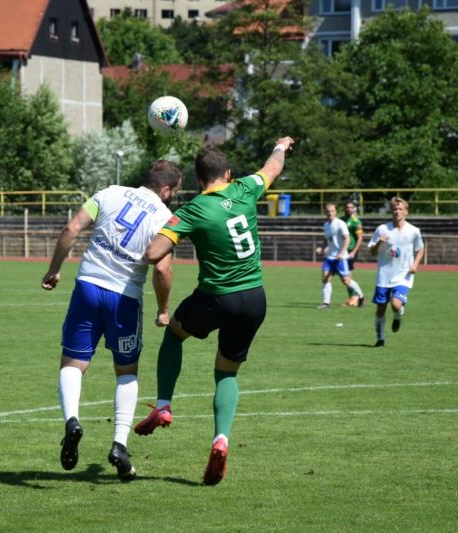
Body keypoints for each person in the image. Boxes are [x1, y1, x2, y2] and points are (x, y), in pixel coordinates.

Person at [134, 136, 295, 486]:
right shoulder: (246, 188)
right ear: (228, 173)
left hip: (215, 297)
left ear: (197, 180)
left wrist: (166, 230)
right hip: (254, 298)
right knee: (227, 373)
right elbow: (272, 167)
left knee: (174, 335)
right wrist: (281, 145)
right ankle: (221, 437)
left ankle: (163, 405)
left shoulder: (192, 210)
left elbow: (153, 253)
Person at [41, 160, 182, 481]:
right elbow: (161, 269)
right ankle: (119, 444)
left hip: (88, 287)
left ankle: (72, 421)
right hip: (125, 299)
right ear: (165, 190)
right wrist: (163, 309)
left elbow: (71, 229)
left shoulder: (109, 193)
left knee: (73, 363)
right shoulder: (166, 217)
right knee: (126, 372)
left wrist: (54, 269)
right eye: (175, 191)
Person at [368, 197, 425, 347]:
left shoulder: (414, 231)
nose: (397, 212)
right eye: (394, 209)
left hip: (403, 275)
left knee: (395, 304)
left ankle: (398, 316)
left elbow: (420, 249)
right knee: (380, 308)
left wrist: (415, 265)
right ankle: (380, 339)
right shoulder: (382, 229)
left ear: (406, 211)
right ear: (391, 211)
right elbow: (372, 252)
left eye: (400, 209)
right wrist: (379, 242)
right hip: (384, 275)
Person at [316, 203, 365, 309]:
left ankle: (361, 297)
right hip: (330, 257)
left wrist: (342, 252)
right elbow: (327, 239)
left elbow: (347, 239)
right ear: (325, 213)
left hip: (341, 257)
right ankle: (326, 303)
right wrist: (322, 247)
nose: (330, 213)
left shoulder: (340, 223)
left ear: (336, 212)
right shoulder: (326, 225)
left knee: (346, 281)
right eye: (328, 211)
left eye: (332, 211)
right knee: (325, 277)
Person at [340, 201, 364, 306]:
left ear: (353, 209)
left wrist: (354, 251)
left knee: (347, 275)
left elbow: (360, 238)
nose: (348, 209)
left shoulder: (356, 221)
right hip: (341, 250)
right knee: (344, 277)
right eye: (347, 207)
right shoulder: (340, 220)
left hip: (350, 251)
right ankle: (354, 297)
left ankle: (354, 298)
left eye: (351, 207)